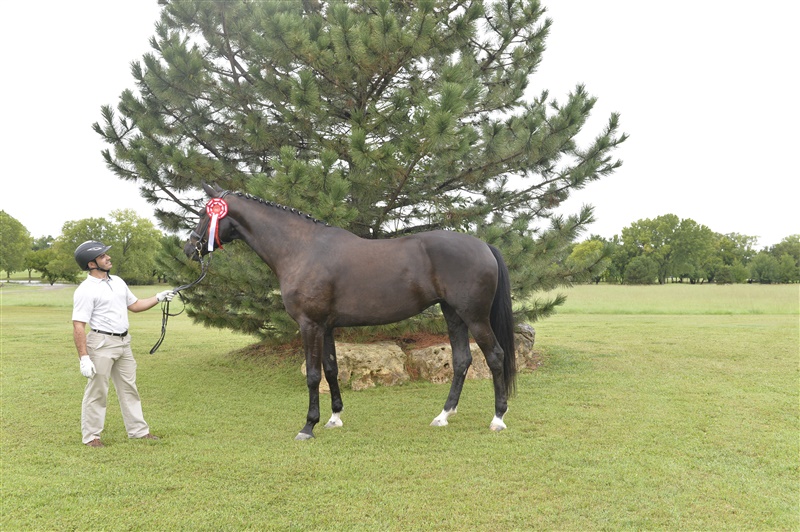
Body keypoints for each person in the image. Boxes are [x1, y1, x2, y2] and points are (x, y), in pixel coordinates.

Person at [72, 240, 175, 448]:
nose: (108, 257)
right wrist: (84, 358)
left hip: (123, 342)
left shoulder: (117, 281)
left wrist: (158, 297)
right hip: (101, 344)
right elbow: (78, 325)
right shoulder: (85, 290)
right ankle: (91, 436)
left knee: (129, 388)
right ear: (91, 264)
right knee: (97, 391)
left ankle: (138, 431)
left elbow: (135, 305)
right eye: (102, 256)